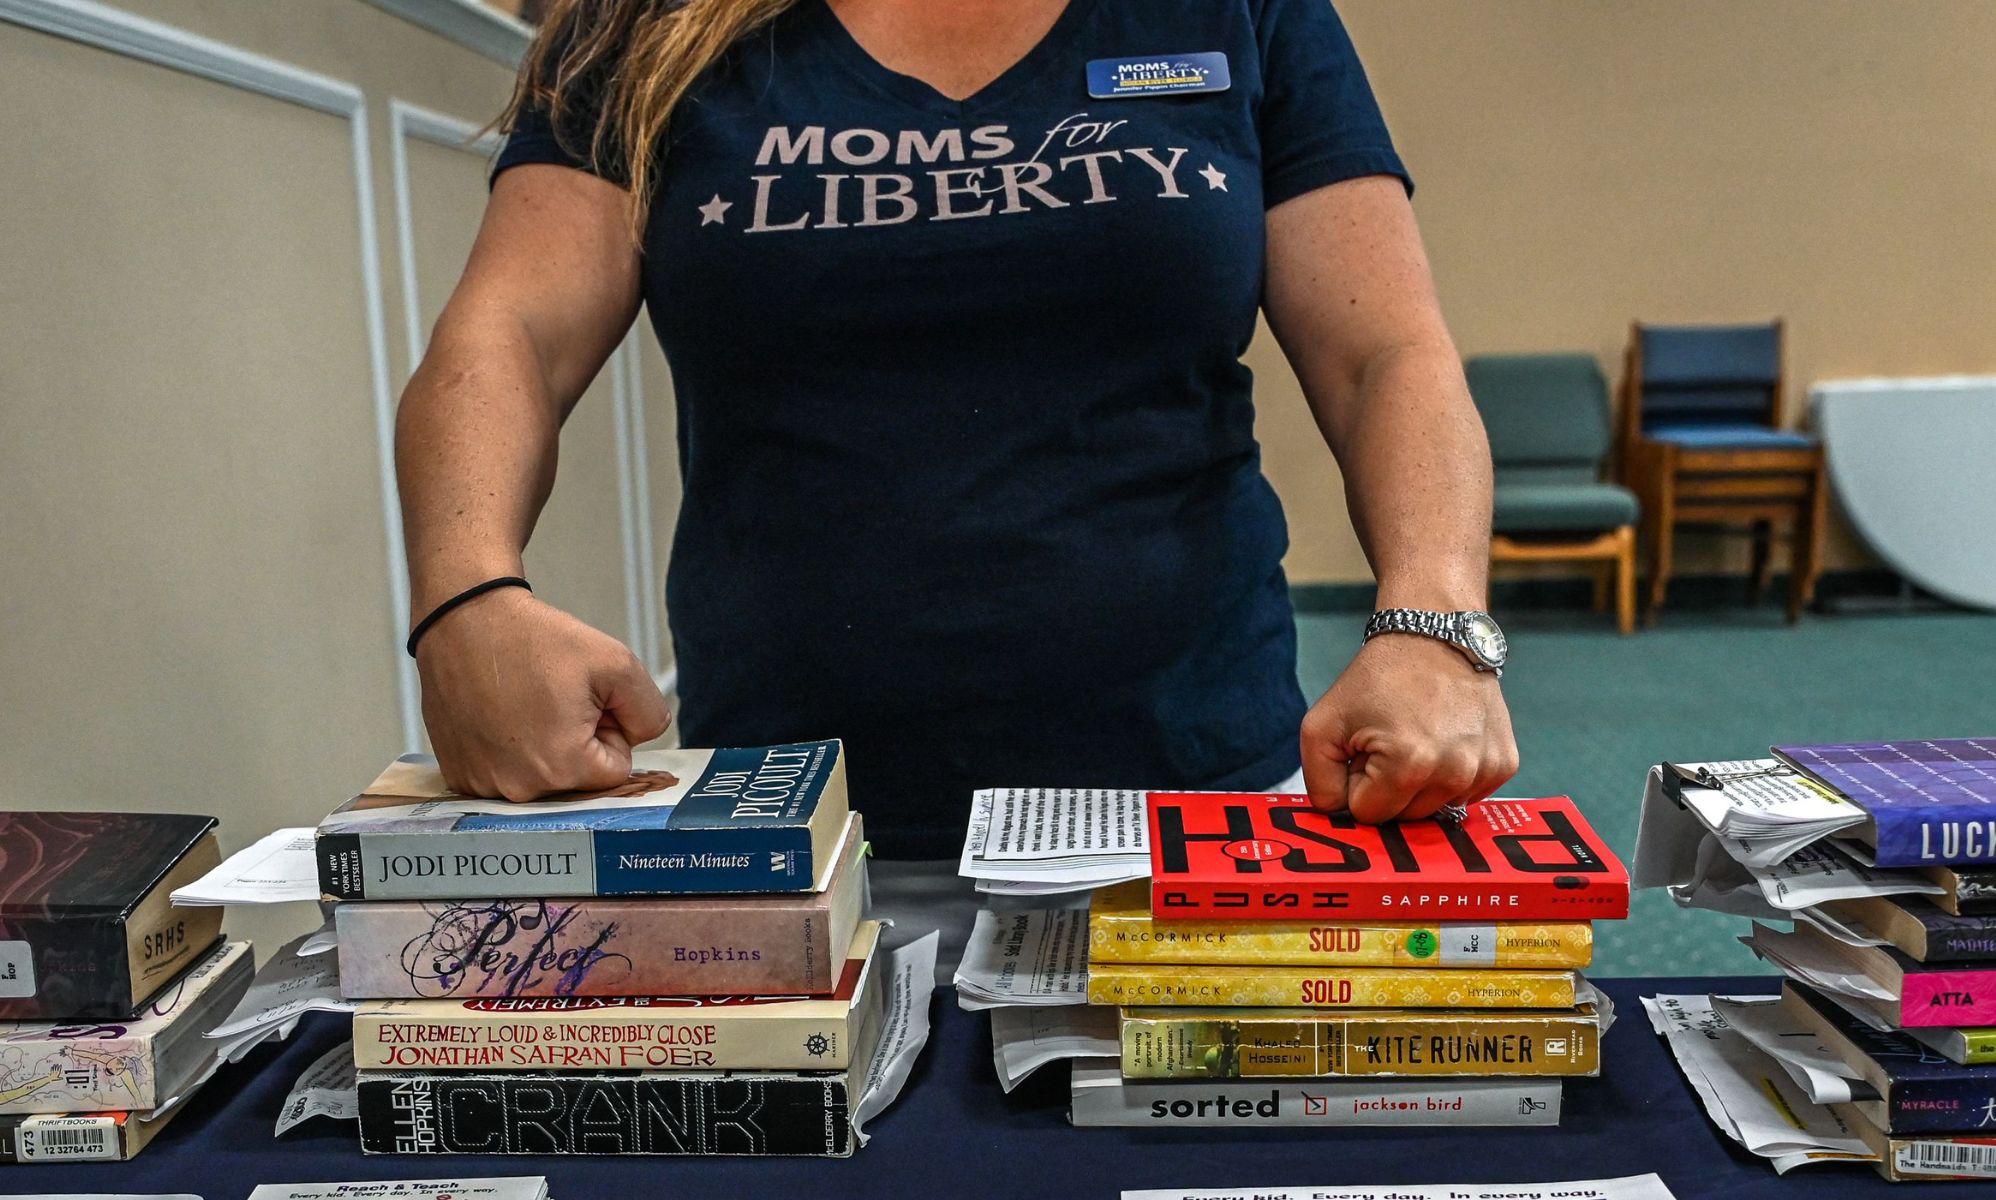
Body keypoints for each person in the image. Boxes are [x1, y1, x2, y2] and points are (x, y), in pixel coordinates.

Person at [395, 0, 1518, 957]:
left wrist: (1436, 616)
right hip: (794, 825)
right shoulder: (643, 25)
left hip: (1194, 803)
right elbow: (512, 331)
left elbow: (1387, 354)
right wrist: (466, 596)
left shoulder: (1237, 10)